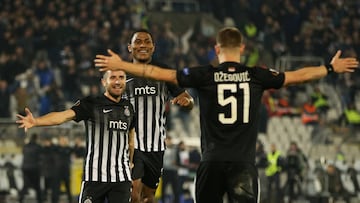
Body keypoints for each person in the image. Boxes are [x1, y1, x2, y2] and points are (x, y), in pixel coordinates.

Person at [94, 27, 359, 202]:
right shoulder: (257, 75)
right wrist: (329, 68)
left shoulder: (204, 75)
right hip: (243, 163)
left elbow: (158, 73)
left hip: (211, 163)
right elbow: (297, 77)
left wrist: (121, 65)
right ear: (242, 48)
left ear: (217, 49)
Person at [16, 70, 136, 203]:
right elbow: (63, 116)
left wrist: (130, 162)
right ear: (104, 82)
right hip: (94, 177)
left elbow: (131, 139)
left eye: (121, 77)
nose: (118, 81)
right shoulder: (91, 103)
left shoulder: (129, 108)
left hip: (121, 178)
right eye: (113, 78)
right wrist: (37, 121)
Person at [124, 29, 194, 203]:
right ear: (129, 47)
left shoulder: (163, 72)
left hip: (156, 146)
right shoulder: (122, 75)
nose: (142, 45)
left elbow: (187, 99)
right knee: (133, 194)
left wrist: (188, 102)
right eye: (138, 41)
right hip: (132, 145)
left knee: (149, 196)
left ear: (153, 47)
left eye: (147, 41)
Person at [19, 133, 43, 203]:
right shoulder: (38, 147)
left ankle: (21, 199)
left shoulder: (25, 146)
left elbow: (23, 153)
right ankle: (40, 200)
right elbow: (40, 157)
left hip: (25, 168)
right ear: (36, 138)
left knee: (25, 185)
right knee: (37, 186)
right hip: (34, 168)